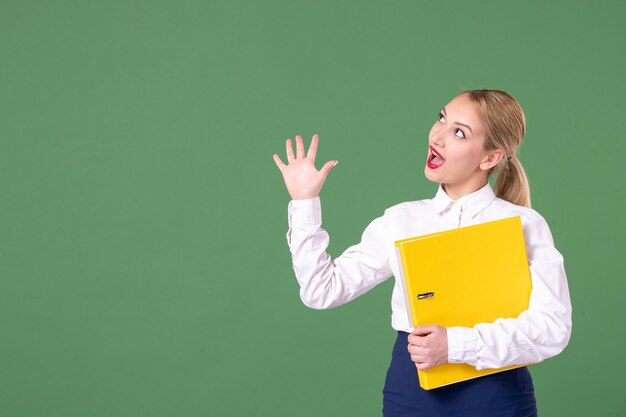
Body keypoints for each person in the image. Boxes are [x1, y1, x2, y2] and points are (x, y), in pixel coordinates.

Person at [272, 89, 572, 417]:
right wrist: (304, 203)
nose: (438, 137)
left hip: (496, 395)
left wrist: (455, 345)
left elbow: (553, 328)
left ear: (490, 158)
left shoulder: (524, 225)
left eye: (459, 132)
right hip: (411, 393)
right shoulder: (401, 220)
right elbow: (321, 291)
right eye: (441, 119)